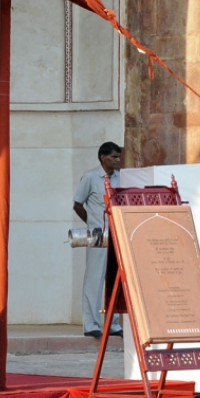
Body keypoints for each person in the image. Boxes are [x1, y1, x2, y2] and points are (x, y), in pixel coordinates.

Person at [73, 141, 124, 339]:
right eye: (114, 157)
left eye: (119, 156)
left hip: (117, 233)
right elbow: (77, 204)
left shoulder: (121, 177)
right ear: (103, 157)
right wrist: (91, 223)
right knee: (94, 279)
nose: (118, 160)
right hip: (97, 233)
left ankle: (113, 324)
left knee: (115, 279)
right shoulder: (90, 177)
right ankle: (92, 324)